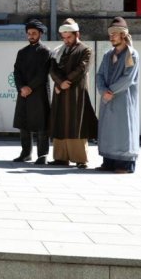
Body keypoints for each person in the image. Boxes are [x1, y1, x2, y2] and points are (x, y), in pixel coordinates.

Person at [48, 18, 98, 168]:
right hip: (60, 92)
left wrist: (65, 82)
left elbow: (81, 69)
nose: (66, 40)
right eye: (64, 37)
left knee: (76, 124)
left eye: (69, 37)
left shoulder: (85, 50)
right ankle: (61, 158)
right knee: (60, 123)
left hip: (76, 93)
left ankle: (80, 159)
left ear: (77, 34)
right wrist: (59, 83)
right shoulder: (58, 50)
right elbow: (52, 69)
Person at [96, 17, 140, 173]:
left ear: (123, 35)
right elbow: (99, 74)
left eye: (115, 33)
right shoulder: (108, 55)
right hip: (108, 99)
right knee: (107, 130)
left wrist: (111, 91)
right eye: (110, 33)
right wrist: (103, 91)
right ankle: (108, 162)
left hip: (123, 100)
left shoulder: (131, 55)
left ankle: (125, 165)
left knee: (123, 131)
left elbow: (128, 78)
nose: (111, 36)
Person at [12, 19, 51, 164]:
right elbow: (16, 72)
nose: (31, 36)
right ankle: (26, 153)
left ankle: (42, 155)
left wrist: (29, 87)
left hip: (39, 93)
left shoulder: (45, 51)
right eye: (29, 33)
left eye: (34, 33)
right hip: (23, 92)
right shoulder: (22, 52)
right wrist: (22, 87)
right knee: (24, 123)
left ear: (40, 34)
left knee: (41, 124)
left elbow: (43, 73)